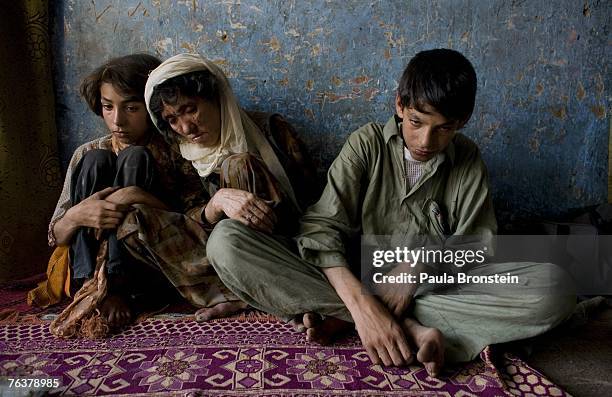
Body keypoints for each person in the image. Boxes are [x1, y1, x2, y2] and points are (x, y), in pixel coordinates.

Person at [205, 49, 576, 377]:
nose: (426, 141)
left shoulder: (466, 158)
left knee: (554, 286)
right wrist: (363, 304)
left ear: (462, 121)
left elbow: (477, 245)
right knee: (226, 241)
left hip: (430, 287)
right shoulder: (366, 144)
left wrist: (416, 267)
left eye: (443, 128)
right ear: (399, 105)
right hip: (354, 277)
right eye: (417, 121)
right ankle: (403, 327)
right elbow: (319, 230)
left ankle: (358, 318)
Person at [47, 54, 240, 337]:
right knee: (96, 160)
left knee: (136, 157)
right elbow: (56, 236)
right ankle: (97, 287)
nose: (118, 120)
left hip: (148, 272)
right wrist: (77, 215)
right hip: (86, 272)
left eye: (132, 108)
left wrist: (138, 196)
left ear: (152, 109)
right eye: (107, 107)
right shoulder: (86, 154)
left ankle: (117, 284)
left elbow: (194, 225)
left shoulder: (179, 151)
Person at [145, 53, 317, 246]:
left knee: (238, 165)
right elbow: (186, 216)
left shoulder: (271, 130)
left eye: (190, 110)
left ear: (217, 98)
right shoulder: (182, 154)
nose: (186, 129)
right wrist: (217, 203)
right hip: (224, 248)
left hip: (290, 239)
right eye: (172, 119)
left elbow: (312, 196)